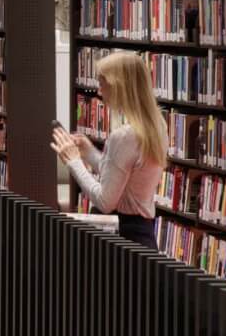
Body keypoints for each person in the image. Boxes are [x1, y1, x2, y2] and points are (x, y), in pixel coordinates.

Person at [51, 49, 169, 248]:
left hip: (121, 237)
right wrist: (89, 153)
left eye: (101, 83)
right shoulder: (157, 125)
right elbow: (123, 178)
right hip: (143, 234)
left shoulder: (124, 136)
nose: (99, 91)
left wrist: (74, 162)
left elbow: (105, 202)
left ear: (119, 87)